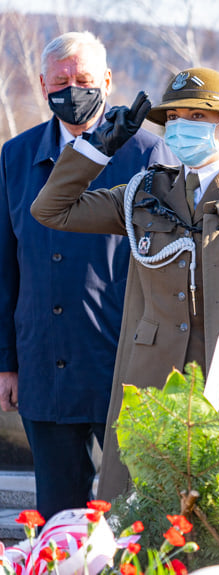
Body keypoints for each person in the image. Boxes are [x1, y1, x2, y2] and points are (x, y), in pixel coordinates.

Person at [30, 67, 219, 502]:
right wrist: (96, 149)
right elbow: (52, 210)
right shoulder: (145, 194)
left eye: (197, 116)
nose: (181, 127)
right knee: (150, 517)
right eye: (174, 118)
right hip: (155, 384)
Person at [0, 31, 174, 520]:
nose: (72, 89)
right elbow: (4, 266)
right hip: (43, 364)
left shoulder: (147, 155)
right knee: (59, 517)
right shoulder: (16, 156)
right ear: (41, 85)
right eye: (60, 81)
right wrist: (6, 363)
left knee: (138, 516)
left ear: (108, 81)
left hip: (122, 365)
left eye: (83, 79)